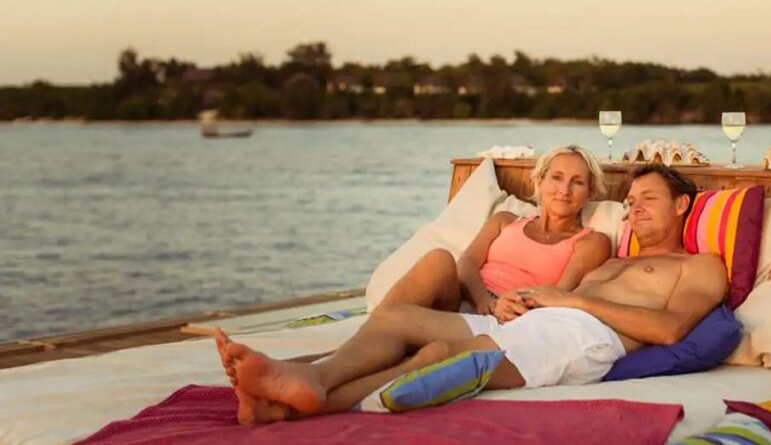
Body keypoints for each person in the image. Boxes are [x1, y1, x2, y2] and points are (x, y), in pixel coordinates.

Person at [215, 163, 727, 424]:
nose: (634, 209)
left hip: (582, 339)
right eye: (630, 201)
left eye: (648, 199)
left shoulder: (700, 265)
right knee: (396, 318)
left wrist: (572, 300)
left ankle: (300, 404)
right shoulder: (615, 257)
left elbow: (670, 329)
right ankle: (310, 379)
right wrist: (528, 300)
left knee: (440, 356)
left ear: (682, 204)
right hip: (531, 324)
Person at [377, 144, 611, 315]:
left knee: (399, 320)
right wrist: (484, 303)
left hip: (510, 315)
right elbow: (466, 262)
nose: (564, 189)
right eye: (557, 178)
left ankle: (382, 331)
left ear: (590, 193)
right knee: (439, 260)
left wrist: (503, 305)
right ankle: (376, 328)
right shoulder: (505, 220)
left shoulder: (590, 242)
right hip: (465, 301)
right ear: (539, 182)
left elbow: (559, 295)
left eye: (577, 182)